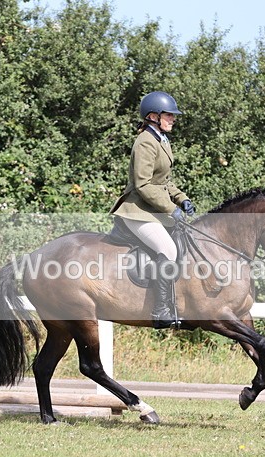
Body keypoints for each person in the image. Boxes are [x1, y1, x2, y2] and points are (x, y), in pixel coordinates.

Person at [110, 91, 196, 329]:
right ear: (153, 116)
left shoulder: (161, 140)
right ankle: (160, 311)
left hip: (152, 209)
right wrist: (171, 208)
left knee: (184, 242)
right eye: (169, 115)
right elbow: (143, 184)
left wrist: (182, 200)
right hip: (136, 210)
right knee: (168, 249)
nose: (173, 119)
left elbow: (164, 182)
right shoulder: (145, 142)